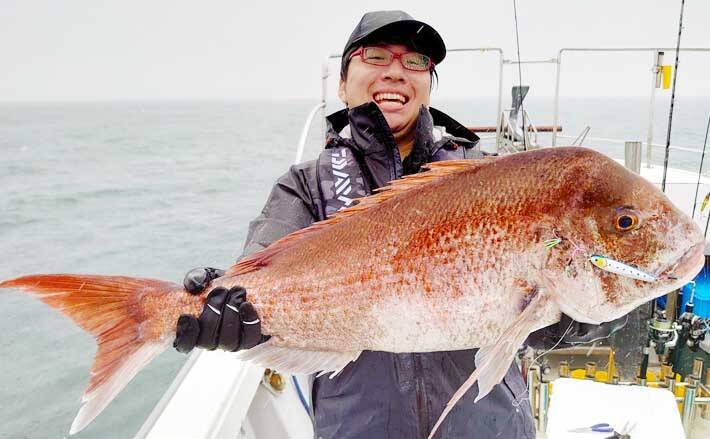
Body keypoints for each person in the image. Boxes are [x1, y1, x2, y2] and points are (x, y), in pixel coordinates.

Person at [173, 10, 625, 438]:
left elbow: (557, 296)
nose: (395, 71)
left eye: (415, 61)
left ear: (427, 84)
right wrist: (223, 306)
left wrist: (576, 313)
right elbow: (258, 276)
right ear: (343, 82)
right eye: (375, 56)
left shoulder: (487, 177)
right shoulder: (306, 186)